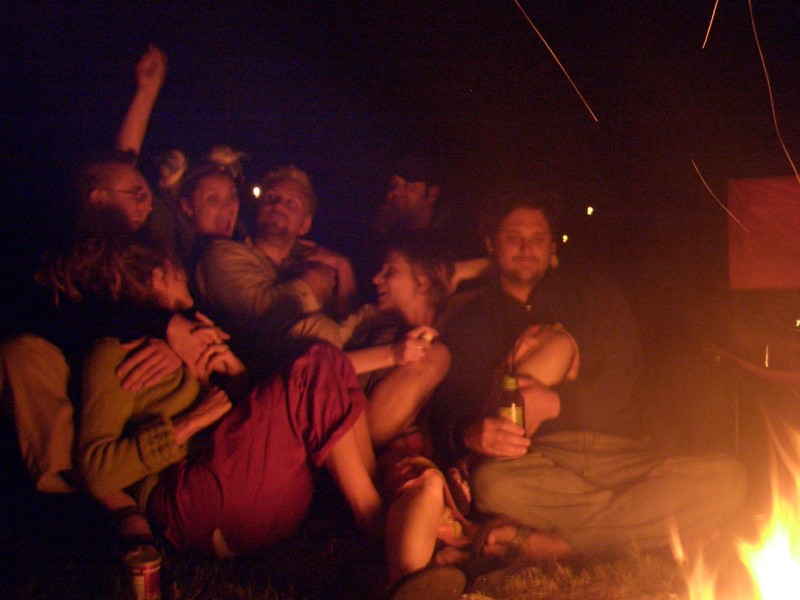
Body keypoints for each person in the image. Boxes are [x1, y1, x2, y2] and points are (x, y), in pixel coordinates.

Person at [428, 187, 748, 561]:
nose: (526, 248)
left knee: (727, 480)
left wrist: (558, 405)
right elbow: (448, 407)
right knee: (492, 486)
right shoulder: (473, 321)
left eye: (537, 239)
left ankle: (558, 545)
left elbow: (623, 377)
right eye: (513, 239)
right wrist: (470, 431)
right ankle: (651, 531)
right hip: (538, 464)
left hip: (621, 455)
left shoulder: (595, 296)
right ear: (490, 243)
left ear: (552, 246)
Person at [63, 237, 381, 557]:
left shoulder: (185, 338)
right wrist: (188, 423)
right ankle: (372, 517)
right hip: (193, 506)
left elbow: (246, 425)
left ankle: (378, 501)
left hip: (247, 492)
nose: (185, 275)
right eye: (178, 270)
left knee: (334, 367)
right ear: (158, 274)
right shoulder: (113, 353)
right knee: (318, 362)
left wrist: (235, 370)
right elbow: (96, 472)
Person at [195, 165, 356, 362]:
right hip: (253, 373)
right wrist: (310, 284)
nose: (278, 206)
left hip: (324, 371)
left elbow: (346, 328)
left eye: (291, 204)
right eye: (271, 198)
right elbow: (259, 313)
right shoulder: (223, 255)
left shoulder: (309, 260)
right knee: (320, 329)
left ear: (305, 224)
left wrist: (343, 266)